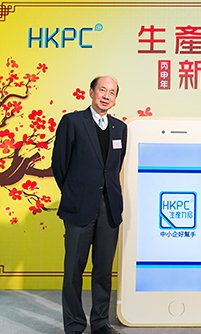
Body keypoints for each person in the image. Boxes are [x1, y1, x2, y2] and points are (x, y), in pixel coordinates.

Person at [52, 76, 127, 334]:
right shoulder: (72, 122)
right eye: (102, 90)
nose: (106, 96)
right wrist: (75, 194)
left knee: (103, 270)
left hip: (109, 209)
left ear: (116, 98)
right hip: (79, 208)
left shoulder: (120, 128)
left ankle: (100, 322)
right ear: (91, 92)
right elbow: (59, 165)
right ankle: (74, 324)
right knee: (74, 269)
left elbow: (114, 167)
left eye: (112, 92)